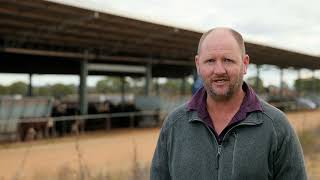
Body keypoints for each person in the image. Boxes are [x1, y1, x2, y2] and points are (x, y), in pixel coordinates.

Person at [150, 27, 307, 180]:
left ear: (245, 64)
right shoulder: (174, 125)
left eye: (228, 60)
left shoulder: (276, 126)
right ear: (198, 65)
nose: (219, 70)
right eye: (210, 61)